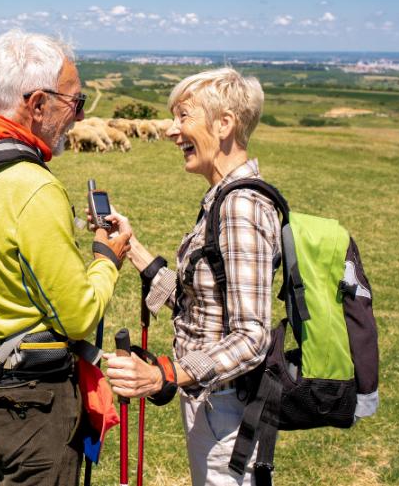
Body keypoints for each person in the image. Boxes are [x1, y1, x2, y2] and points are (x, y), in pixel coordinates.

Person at [0, 29, 132, 486]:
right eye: (76, 101)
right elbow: (78, 316)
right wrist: (107, 258)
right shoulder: (32, 186)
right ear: (37, 105)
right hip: (30, 405)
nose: (81, 115)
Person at [104, 68, 281, 486]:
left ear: (224, 125)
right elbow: (200, 302)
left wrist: (166, 374)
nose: (171, 130)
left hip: (228, 410)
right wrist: (133, 248)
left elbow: (252, 336)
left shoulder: (240, 209)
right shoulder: (222, 199)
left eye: (184, 116)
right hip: (213, 401)